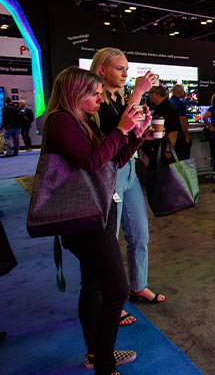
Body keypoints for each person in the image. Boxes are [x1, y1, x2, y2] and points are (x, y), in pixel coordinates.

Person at [45, 66, 151, 375]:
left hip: (95, 211)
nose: (101, 100)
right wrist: (120, 131)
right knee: (115, 291)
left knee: (94, 286)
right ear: (75, 94)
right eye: (96, 94)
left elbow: (111, 161)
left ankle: (96, 353)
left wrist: (135, 137)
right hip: (84, 216)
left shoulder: (81, 121)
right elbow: (92, 162)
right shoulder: (60, 121)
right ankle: (104, 365)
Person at [89, 48, 166, 327]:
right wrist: (138, 91)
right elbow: (115, 127)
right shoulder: (96, 100)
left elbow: (127, 132)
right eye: (119, 68)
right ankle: (112, 300)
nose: (125, 73)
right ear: (101, 70)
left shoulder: (121, 97)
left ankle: (138, 284)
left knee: (140, 234)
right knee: (108, 241)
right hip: (112, 172)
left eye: (126, 68)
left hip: (131, 168)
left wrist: (142, 131)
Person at [144, 84, 181, 167]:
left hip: (163, 150)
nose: (148, 95)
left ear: (157, 94)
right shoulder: (159, 107)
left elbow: (173, 132)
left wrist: (168, 150)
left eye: (150, 92)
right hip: (157, 149)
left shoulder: (168, 109)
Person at [170, 84, 191, 159]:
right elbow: (182, 121)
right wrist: (187, 137)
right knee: (183, 161)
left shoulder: (168, 102)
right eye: (183, 91)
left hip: (170, 138)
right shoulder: (181, 104)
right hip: (180, 137)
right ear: (180, 92)